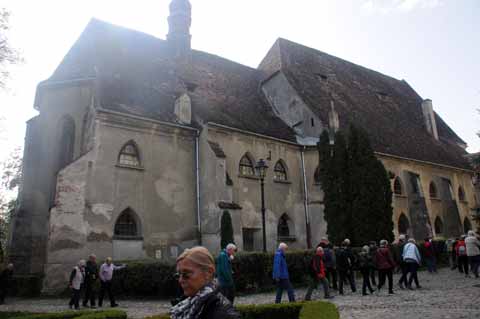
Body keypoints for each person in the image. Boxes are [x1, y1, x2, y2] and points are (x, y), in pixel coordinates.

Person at [170, 246, 240, 319]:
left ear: (209, 272)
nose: (180, 280)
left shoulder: (223, 314)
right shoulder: (185, 304)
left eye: (186, 274)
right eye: (178, 275)